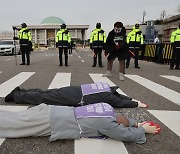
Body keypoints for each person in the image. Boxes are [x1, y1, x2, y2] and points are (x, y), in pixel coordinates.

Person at [0, 103, 160, 143]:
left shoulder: (106, 108)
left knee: (15, 118)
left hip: (51, 111)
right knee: (13, 126)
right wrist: (142, 131)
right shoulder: (108, 124)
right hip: (52, 121)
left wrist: (136, 124)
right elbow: (123, 134)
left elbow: (123, 121)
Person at [4, 82, 148, 108]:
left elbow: (119, 96)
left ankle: (21, 91)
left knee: (45, 92)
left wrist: (130, 98)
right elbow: (119, 102)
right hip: (72, 98)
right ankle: (16, 96)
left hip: (72, 90)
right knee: (43, 98)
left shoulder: (105, 87)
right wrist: (135, 104)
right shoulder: (108, 97)